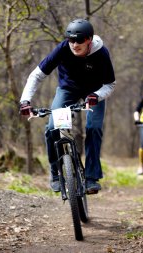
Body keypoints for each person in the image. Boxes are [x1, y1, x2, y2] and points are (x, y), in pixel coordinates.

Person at [19, 19, 116, 193]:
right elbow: (37, 75)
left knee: (93, 128)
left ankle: (92, 178)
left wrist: (96, 96)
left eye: (79, 40)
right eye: (71, 40)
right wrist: (25, 100)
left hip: (94, 93)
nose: (74, 44)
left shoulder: (101, 53)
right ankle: (56, 174)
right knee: (51, 128)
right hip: (68, 90)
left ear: (89, 39)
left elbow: (110, 84)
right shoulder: (63, 49)